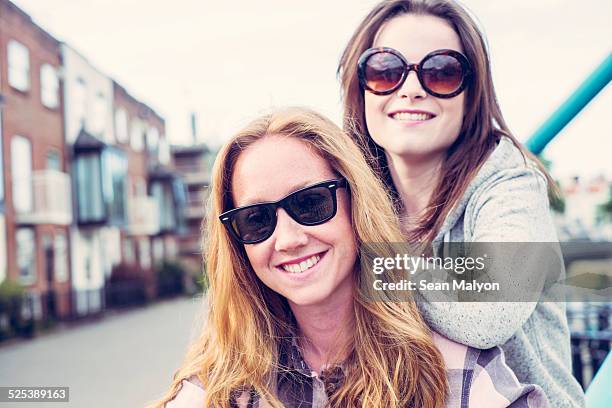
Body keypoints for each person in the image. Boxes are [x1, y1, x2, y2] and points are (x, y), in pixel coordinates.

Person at [152, 107, 548, 407]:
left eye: (310, 203)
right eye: (256, 220)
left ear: (356, 202)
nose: (288, 239)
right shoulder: (222, 385)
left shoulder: (452, 369)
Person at [338, 1, 585, 407]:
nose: (411, 88)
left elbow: (490, 307)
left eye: (441, 72)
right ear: (359, 86)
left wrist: (363, 262)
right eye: (385, 71)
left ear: (473, 94)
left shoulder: (511, 182)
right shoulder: (349, 196)